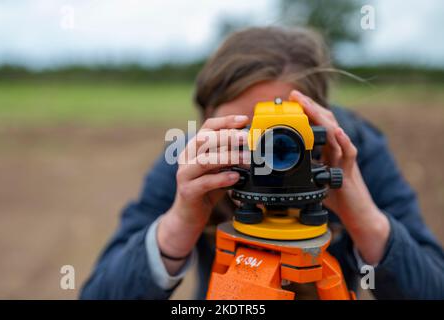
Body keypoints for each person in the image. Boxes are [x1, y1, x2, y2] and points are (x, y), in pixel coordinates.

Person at [80, 27, 444, 299]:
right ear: (209, 117)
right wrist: (177, 225)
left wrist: (364, 216)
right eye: (249, 134)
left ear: (318, 124)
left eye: (285, 135)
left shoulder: (353, 152)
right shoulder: (193, 163)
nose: (269, 153)